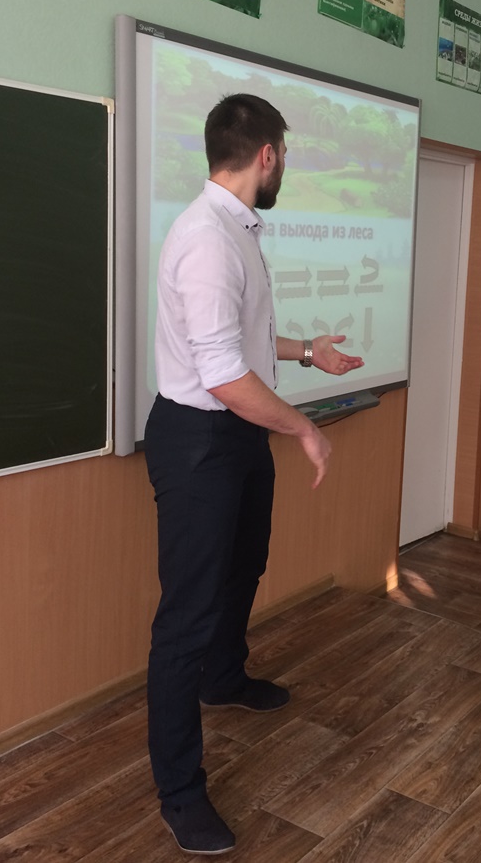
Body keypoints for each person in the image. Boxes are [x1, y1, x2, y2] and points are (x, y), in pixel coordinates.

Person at [143, 93, 363, 855]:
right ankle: (180, 791)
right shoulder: (206, 239)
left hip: (235, 432)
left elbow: (241, 343)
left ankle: (224, 677)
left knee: (246, 564)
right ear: (266, 155)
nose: (285, 166)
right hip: (200, 440)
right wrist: (305, 426)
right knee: (186, 617)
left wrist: (307, 353)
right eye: (285, 155)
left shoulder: (237, 228)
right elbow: (222, 375)